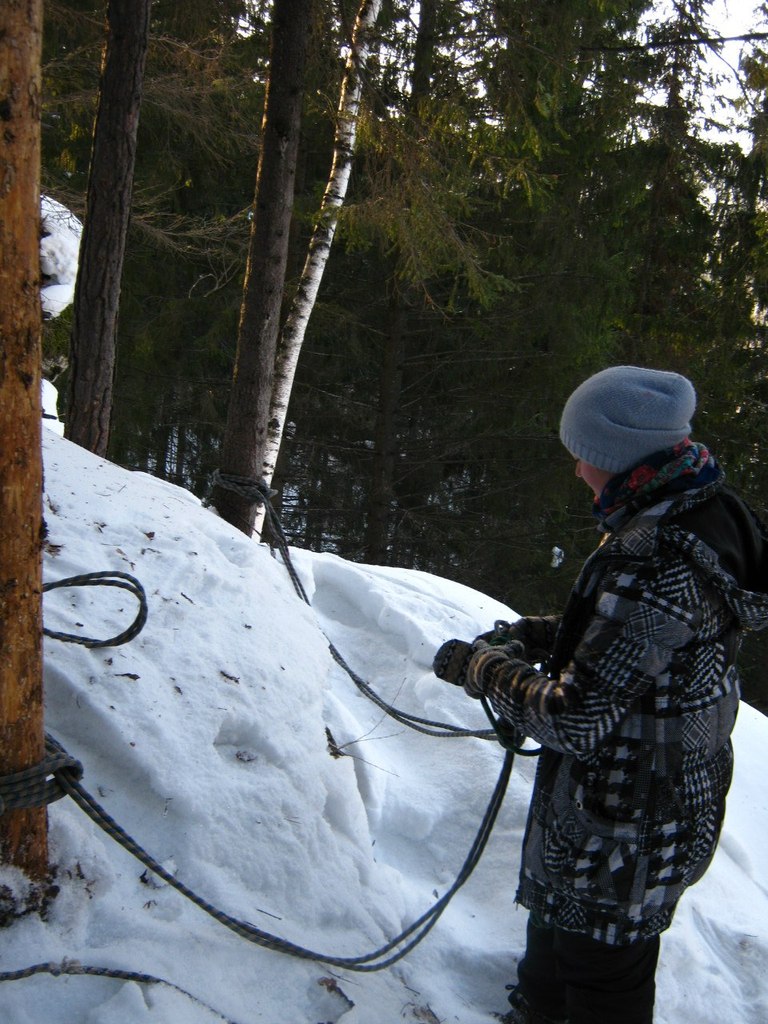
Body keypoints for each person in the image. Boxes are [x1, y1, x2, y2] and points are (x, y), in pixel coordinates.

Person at [432, 365, 768, 1024]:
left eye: (582, 456)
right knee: (556, 947)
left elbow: (576, 718)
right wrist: (535, 636)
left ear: (617, 459)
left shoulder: (659, 559)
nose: (576, 470)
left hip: (629, 829)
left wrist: (481, 669)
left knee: (600, 980)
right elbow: (636, 643)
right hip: (626, 804)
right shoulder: (690, 511)